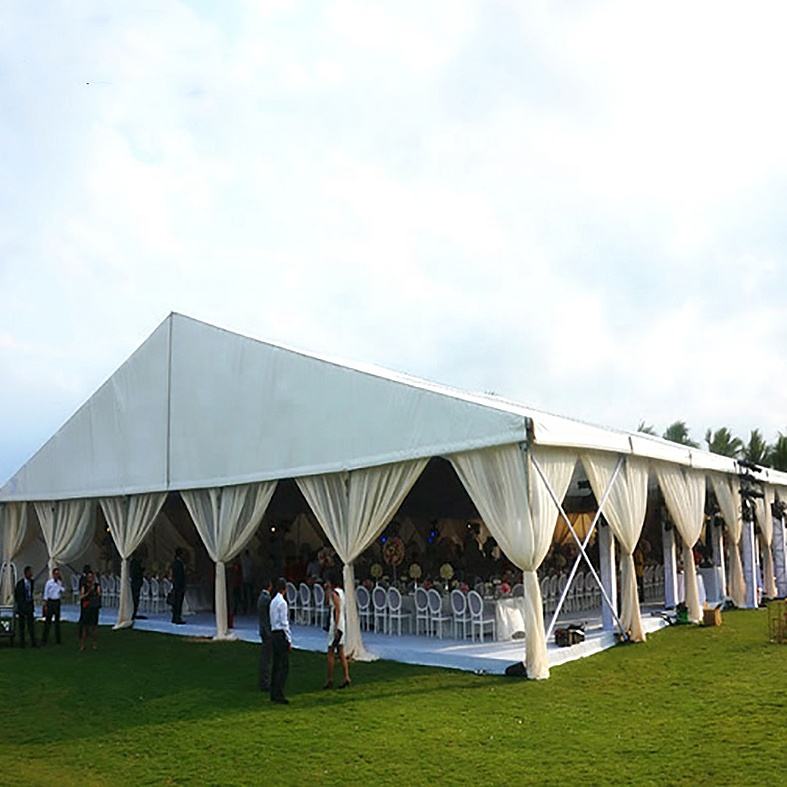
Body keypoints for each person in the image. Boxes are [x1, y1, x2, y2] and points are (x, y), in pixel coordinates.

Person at [323, 572, 350, 690]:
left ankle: (330, 678)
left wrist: (335, 627)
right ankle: (346, 676)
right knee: (341, 651)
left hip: (336, 624)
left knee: (330, 652)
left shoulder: (335, 594)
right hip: (341, 623)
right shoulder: (341, 592)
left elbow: (337, 610)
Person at [269, 577, 291, 704]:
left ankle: (274, 692)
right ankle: (279, 692)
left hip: (274, 633)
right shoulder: (282, 603)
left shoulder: (273, 602)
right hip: (280, 634)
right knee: (284, 665)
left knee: (276, 664)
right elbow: (284, 623)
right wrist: (288, 639)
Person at [42, 566, 66, 645]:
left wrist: (61, 582)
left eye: (58, 574)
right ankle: (44, 639)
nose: (57, 575)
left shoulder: (59, 582)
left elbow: (63, 590)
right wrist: (45, 604)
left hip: (57, 602)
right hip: (50, 602)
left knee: (57, 621)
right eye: (56, 574)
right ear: (53, 574)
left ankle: (58, 639)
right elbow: (46, 593)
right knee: (48, 621)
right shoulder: (49, 583)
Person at [14, 565, 37, 648]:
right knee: (22, 625)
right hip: (22, 606)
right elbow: (17, 595)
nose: (31, 573)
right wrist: (19, 605)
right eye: (30, 572)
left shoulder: (32, 582)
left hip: (29, 605)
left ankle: (33, 641)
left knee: (31, 624)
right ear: (26, 573)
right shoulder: (20, 584)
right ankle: (22, 643)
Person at [257, 576, 273, 692]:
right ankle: (265, 682)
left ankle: (265, 680)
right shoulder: (266, 599)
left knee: (265, 657)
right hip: (267, 631)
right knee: (266, 658)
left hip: (263, 629)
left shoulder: (261, 598)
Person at [79, 570, 101, 651]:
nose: (90, 578)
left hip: (94, 607)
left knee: (94, 627)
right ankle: (82, 644)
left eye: (92, 577)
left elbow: (99, 594)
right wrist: (88, 593)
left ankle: (94, 644)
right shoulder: (84, 586)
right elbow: (81, 597)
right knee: (85, 627)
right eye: (89, 577)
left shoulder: (96, 585)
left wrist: (95, 592)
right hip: (86, 608)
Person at [171, 548, 186, 624]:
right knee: (178, 602)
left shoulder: (175, 563)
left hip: (176, 585)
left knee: (177, 602)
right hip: (179, 586)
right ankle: (177, 618)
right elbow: (179, 575)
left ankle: (175, 617)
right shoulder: (178, 563)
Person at [130, 552, 145, 620]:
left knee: (135, 598)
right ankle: (133, 612)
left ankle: (134, 612)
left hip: (135, 583)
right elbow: (136, 573)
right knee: (135, 598)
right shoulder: (134, 563)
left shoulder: (133, 563)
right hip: (136, 583)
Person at [241, 549, 255, 613]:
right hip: (249, 578)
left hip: (245, 578)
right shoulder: (250, 561)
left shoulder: (243, 561)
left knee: (246, 594)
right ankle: (249, 607)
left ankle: (246, 608)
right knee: (249, 594)